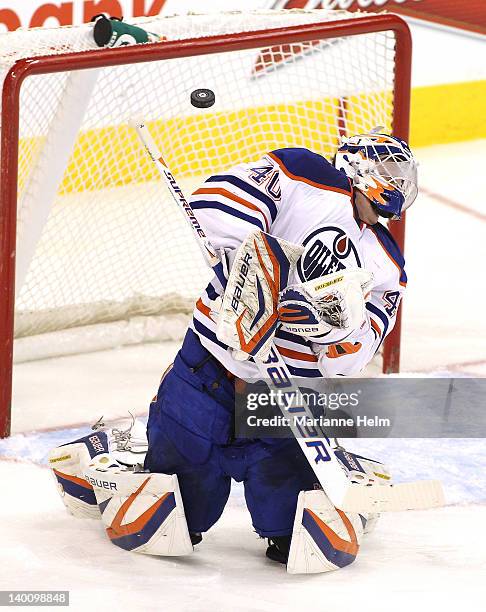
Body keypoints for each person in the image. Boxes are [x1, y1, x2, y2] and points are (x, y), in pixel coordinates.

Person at [143, 130, 418, 565]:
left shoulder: (386, 263)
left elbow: (352, 360)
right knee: (168, 527)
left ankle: (331, 475)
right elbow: (212, 206)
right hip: (209, 375)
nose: (396, 183)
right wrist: (250, 267)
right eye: (386, 170)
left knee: (304, 545)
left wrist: (334, 329)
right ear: (355, 164)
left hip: (286, 404)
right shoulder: (306, 175)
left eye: (401, 175)